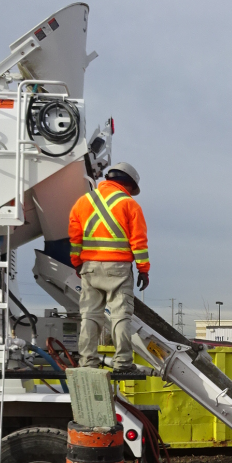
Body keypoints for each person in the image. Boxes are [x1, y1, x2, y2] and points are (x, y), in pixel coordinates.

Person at [68, 161, 149, 377]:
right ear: (128, 183)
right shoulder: (130, 205)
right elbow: (139, 243)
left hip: (90, 268)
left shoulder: (82, 203)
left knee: (90, 315)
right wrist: (143, 269)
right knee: (120, 315)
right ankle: (122, 361)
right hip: (119, 268)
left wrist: (77, 262)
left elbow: (75, 239)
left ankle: (87, 361)